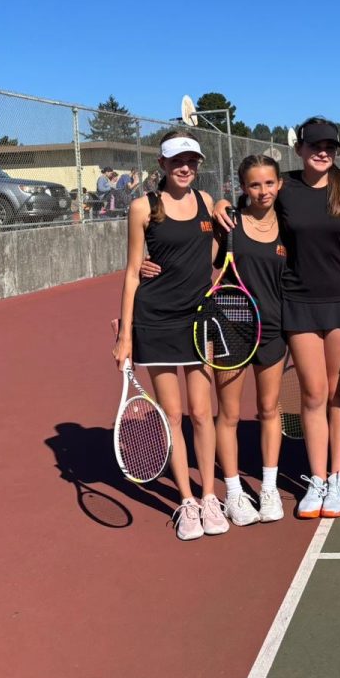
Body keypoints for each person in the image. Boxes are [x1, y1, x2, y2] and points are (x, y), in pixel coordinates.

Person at [214, 117, 340, 519]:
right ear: (299, 148)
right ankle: (317, 479)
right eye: (315, 145)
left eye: (330, 146)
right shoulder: (286, 188)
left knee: (338, 392)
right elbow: (249, 207)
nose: (323, 151)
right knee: (312, 394)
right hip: (297, 303)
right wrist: (219, 203)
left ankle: (338, 477)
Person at [141, 154, 289, 525]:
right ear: (243, 188)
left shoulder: (289, 226)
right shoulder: (228, 222)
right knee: (230, 414)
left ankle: (269, 489)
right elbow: (192, 249)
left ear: (280, 185)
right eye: (254, 184)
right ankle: (235, 492)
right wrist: (150, 264)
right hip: (230, 329)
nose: (263, 190)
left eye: (269, 183)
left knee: (270, 410)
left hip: (273, 329)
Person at [112, 132, 228, 541]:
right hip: (156, 318)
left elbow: (214, 255)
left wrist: (227, 211)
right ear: (161, 165)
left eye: (192, 160)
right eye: (177, 161)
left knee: (202, 412)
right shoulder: (143, 206)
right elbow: (131, 271)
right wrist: (125, 335)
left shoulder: (208, 202)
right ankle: (186, 502)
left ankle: (210, 496)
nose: (185, 167)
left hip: (198, 318)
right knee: (173, 415)